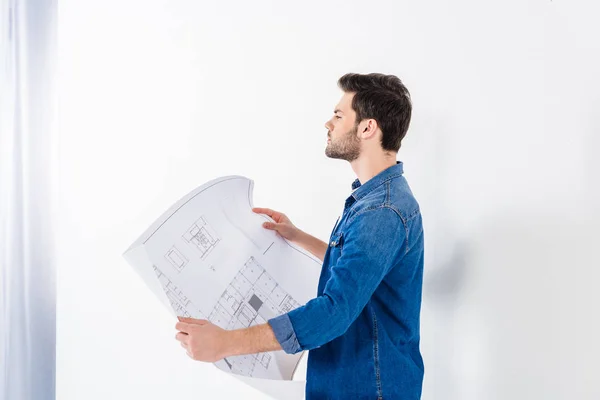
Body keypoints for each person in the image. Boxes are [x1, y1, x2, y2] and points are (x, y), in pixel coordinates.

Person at [175, 72, 425, 399]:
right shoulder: (376, 200)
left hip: (366, 389)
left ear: (367, 128)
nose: (328, 124)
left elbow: (332, 313)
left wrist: (225, 343)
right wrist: (298, 237)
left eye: (338, 115)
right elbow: (363, 272)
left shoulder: (380, 213)